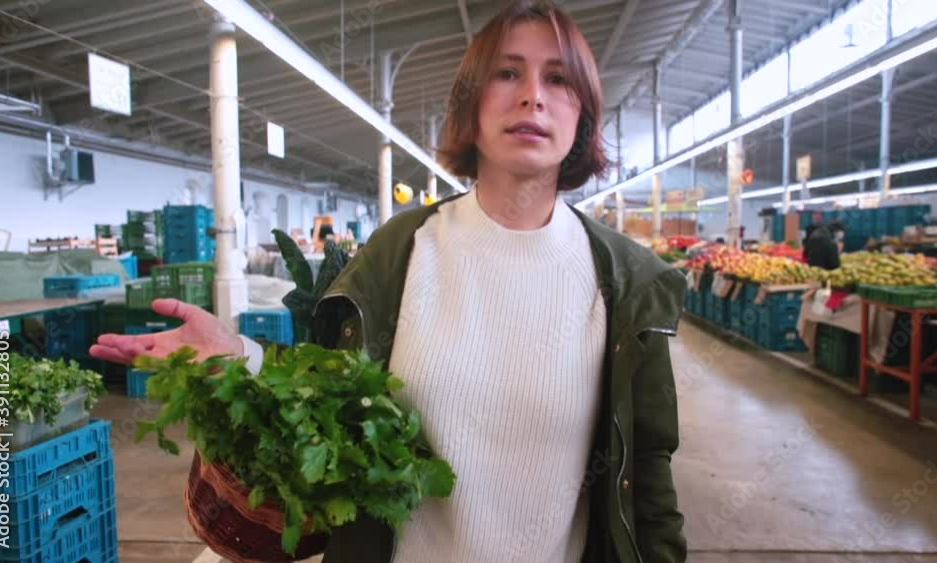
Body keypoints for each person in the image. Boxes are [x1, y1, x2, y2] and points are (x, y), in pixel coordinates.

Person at [90, 2, 687, 562]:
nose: (533, 96)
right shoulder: (400, 253)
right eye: (508, 73)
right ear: (472, 107)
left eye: (559, 79)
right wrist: (241, 358)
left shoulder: (626, 282)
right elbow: (328, 395)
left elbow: (649, 480)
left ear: (582, 113)